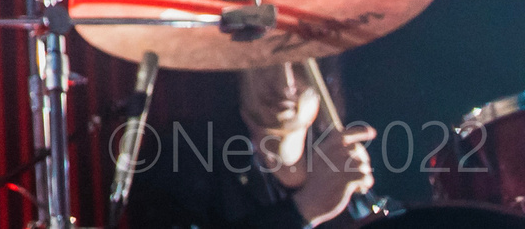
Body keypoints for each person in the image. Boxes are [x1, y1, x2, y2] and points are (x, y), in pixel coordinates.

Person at [124, 60, 379, 229]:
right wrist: (303, 209)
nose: (284, 83)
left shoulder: (340, 171)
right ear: (239, 69)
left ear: (326, 81)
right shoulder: (183, 152)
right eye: (266, 62)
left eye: (300, 67)